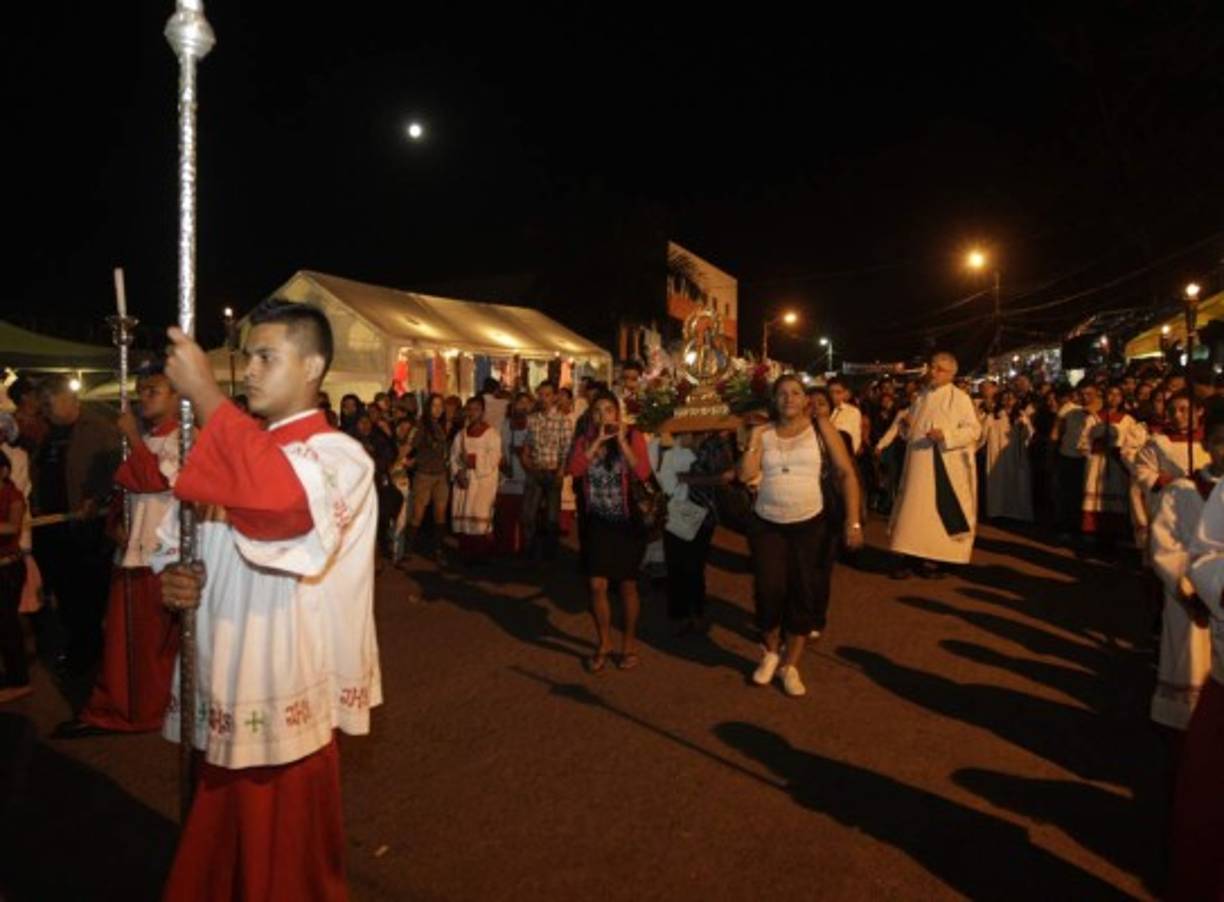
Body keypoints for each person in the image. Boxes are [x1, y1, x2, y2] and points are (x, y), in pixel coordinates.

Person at [157, 297, 380, 900]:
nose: (249, 370)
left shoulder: (340, 458)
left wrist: (207, 397)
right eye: (246, 356)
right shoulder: (231, 447)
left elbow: (281, 505)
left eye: (266, 356)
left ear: (312, 367)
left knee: (282, 871)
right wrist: (177, 579)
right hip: (223, 668)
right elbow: (179, 546)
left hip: (282, 687)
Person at [53, 362, 182, 737]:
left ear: (176, 397)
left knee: (147, 645)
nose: (144, 397)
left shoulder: (183, 439)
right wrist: (116, 522)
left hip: (160, 555)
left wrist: (134, 439)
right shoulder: (148, 437)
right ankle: (122, 705)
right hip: (133, 552)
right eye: (141, 390)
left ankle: (139, 710)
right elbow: (128, 491)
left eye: (153, 390)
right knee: (125, 642)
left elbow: (156, 481)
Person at [739, 375, 863, 697]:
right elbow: (745, 475)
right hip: (767, 524)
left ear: (805, 398)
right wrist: (754, 438)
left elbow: (846, 473)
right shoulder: (763, 433)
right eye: (782, 394)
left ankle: (790, 665)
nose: (789, 398)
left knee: (803, 594)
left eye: (796, 393)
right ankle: (769, 652)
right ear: (774, 400)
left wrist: (853, 523)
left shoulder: (821, 429)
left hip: (811, 524)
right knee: (768, 591)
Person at [30, 375, 122, 674]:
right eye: (42, 403)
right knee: (64, 592)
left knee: (87, 593)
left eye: (49, 402)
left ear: (71, 399)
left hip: (85, 529)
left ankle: (89, 655)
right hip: (51, 527)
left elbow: (116, 471)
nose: (45, 409)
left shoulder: (98, 430)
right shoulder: (48, 433)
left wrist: (96, 498)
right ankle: (78, 647)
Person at [1149, 420, 1222, 746]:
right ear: (1206, 444)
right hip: (1189, 600)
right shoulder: (1182, 490)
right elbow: (1165, 545)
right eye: (1221, 441)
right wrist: (1190, 590)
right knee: (1190, 667)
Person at [567, 390, 651, 672]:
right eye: (599, 411)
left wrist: (621, 441)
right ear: (592, 416)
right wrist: (596, 443)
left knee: (627, 585)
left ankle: (629, 643)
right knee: (596, 585)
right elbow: (575, 471)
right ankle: (604, 642)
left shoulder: (633, 436)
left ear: (618, 413)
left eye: (609, 410)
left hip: (627, 523)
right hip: (598, 522)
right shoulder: (585, 440)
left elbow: (642, 473)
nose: (605, 415)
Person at [888, 352, 981, 579]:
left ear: (951, 374)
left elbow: (973, 430)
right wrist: (906, 428)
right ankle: (911, 558)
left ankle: (938, 559)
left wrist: (946, 435)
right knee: (913, 511)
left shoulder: (959, 398)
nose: (933, 372)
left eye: (939, 369)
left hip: (944, 466)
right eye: (932, 367)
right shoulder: (920, 396)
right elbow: (911, 430)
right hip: (918, 465)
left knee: (940, 513)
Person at [657, 430, 734, 635]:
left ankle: (695, 613)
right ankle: (680, 614)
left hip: (701, 509)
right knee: (676, 563)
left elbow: (727, 476)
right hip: (674, 506)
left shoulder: (715, 443)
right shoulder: (672, 437)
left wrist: (692, 480)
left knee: (693, 565)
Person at [1078, 383, 1146, 551]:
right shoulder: (1092, 419)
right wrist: (1095, 445)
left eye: (1117, 394)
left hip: (1117, 464)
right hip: (1097, 462)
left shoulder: (1128, 420)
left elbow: (1134, 444)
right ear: (1104, 396)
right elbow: (1082, 444)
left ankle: (1114, 539)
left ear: (1122, 398)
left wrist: (1120, 451)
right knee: (1097, 500)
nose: (1113, 397)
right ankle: (1095, 537)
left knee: (1116, 500)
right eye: (1110, 393)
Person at [521, 381, 571, 561]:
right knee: (528, 515)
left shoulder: (563, 420)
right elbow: (527, 443)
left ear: (555, 396)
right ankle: (531, 551)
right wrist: (526, 459)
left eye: (548, 395)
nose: (544, 399)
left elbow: (567, 448)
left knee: (551, 518)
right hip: (535, 471)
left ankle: (550, 554)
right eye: (541, 395)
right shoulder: (533, 418)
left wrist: (561, 471)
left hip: (553, 471)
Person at [449, 395, 502, 563]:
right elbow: (453, 457)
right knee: (464, 516)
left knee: (480, 518)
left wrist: (472, 460)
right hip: (465, 481)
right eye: (469, 410)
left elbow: (495, 457)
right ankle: (466, 553)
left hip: (482, 482)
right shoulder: (461, 435)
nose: (472, 413)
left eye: (476, 410)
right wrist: (457, 473)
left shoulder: (491, 434)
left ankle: (481, 555)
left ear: (483, 412)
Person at [406, 393, 451, 565]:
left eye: (440, 406)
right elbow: (410, 446)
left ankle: (438, 550)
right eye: (434, 405)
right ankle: (408, 550)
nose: (438, 409)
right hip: (424, 474)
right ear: (427, 407)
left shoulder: (441, 425)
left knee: (440, 514)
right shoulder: (421, 426)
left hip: (440, 474)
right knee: (418, 513)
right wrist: (401, 460)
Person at [0, 450, 29, 702]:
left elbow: (12, 526)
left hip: (8, 568)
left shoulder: (13, 496)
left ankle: (19, 680)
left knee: (7, 624)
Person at [980, 391, 1035, 522]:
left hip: (1015, 454)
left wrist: (1024, 426)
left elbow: (1029, 434)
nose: (1008, 402)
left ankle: (1016, 512)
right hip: (997, 453)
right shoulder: (993, 416)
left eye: (1011, 399)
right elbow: (982, 435)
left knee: (1016, 480)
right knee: (998, 481)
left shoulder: (1021, 416)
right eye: (1005, 399)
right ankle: (997, 510)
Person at [494, 392, 532, 556]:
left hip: (526, 476)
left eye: (525, 403)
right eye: (519, 402)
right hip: (508, 477)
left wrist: (522, 453)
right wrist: (503, 461)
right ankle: (507, 547)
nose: (522, 406)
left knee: (526, 517)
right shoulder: (505, 424)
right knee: (507, 516)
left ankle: (525, 548)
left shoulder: (533, 424)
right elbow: (499, 447)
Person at [1053, 384, 1089, 539]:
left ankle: (1081, 526)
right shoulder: (1067, 408)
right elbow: (1055, 431)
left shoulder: (1093, 410)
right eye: (1080, 393)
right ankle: (1065, 527)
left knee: (1083, 494)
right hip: (1067, 454)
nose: (1083, 396)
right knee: (1067, 494)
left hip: (1086, 457)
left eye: (1088, 393)